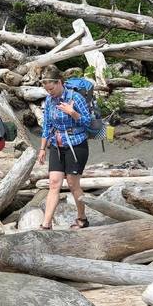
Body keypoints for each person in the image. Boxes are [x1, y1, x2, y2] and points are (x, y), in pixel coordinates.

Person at [37, 67, 91, 230]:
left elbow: (88, 122)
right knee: (54, 183)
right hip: (57, 145)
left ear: (59, 83)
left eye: (52, 88)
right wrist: (42, 148)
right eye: (47, 90)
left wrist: (72, 112)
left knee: (73, 183)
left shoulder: (76, 97)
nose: (50, 92)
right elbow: (47, 125)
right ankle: (46, 224)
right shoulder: (49, 100)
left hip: (76, 145)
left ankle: (82, 218)